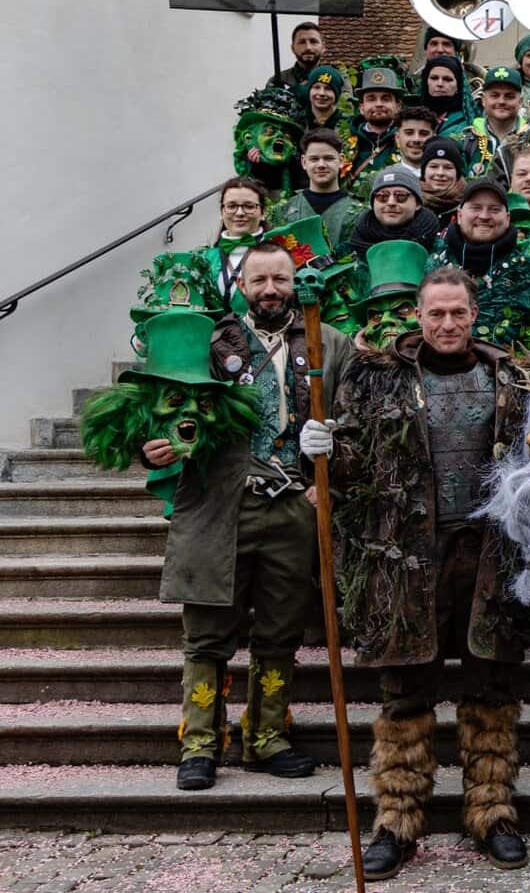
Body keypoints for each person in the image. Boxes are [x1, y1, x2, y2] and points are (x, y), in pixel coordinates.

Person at [324, 267, 530, 875]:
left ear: (474, 315)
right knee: (405, 692)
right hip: (405, 556)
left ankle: (493, 813)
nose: (447, 324)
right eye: (436, 313)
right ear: (418, 316)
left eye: (457, 313)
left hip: (490, 554)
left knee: (491, 685)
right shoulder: (377, 377)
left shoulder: (512, 379)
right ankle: (396, 821)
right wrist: (324, 450)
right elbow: (351, 466)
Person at [156, 243, 350, 789]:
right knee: (206, 632)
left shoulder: (330, 342)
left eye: (280, 279)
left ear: (295, 281)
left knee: (280, 630)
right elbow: (162, 414)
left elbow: (357, 418)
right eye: (259, 279)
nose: (270, 290)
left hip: (294, 503)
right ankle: (200, 744)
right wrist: (155, 446)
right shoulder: (208, 343)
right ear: (240, 285)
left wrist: (329, 473)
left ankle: (267, 737)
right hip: (220, 504)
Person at [429, 177, 530, 351]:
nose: (484, 216)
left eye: (494, 209)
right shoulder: (433, 264)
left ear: (507, 218)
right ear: (460, 215)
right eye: (476, 208)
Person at [270, 130, 365, 252]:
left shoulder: (360, 212)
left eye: (328, 158)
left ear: (341, 160)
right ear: (304, 162)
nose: (321, 165)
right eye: (314, 159)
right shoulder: (284, 211)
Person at [345, 168, 442, 259]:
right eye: (382, 196)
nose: (391, 202)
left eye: (401, 196)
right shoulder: (351, 247)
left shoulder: (439, 247)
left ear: (417, 204)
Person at [201, 178, 271, 301]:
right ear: (221, 212)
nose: (239, 213)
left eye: (249, 206)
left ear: (263, 213)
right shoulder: (204, 259)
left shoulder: (280, 253)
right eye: (231, 206)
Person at [450, 67, 524, 180]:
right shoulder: (464, 139)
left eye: (509, 96)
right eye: (495, 95)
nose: (501, 101)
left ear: (520, 102)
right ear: (484, 100)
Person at [348, 64, 407, 181]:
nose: (378, 104)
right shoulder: (345, 139)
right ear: (361, 107)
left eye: (385, 99)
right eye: (371, 99)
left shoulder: (408, 140)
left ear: (398, 106)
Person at [419, 136, 468, 225]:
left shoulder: (469, 203)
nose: (440, 173)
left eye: (448, 167)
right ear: (424, 172)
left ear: (457, 173)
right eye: (434, 166)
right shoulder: (411, 202)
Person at [419, 54, 475, 131]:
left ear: (458, 85)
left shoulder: (468, 119)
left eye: (448, 79)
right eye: (434, 78)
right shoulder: (411, 113)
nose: (440, 84)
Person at [267, 20, 329, 89]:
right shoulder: (278, 81)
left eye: (313, 41)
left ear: (323, 47)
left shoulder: (335, 80)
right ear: (293, 48)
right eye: (302, 42)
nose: (308, 47)